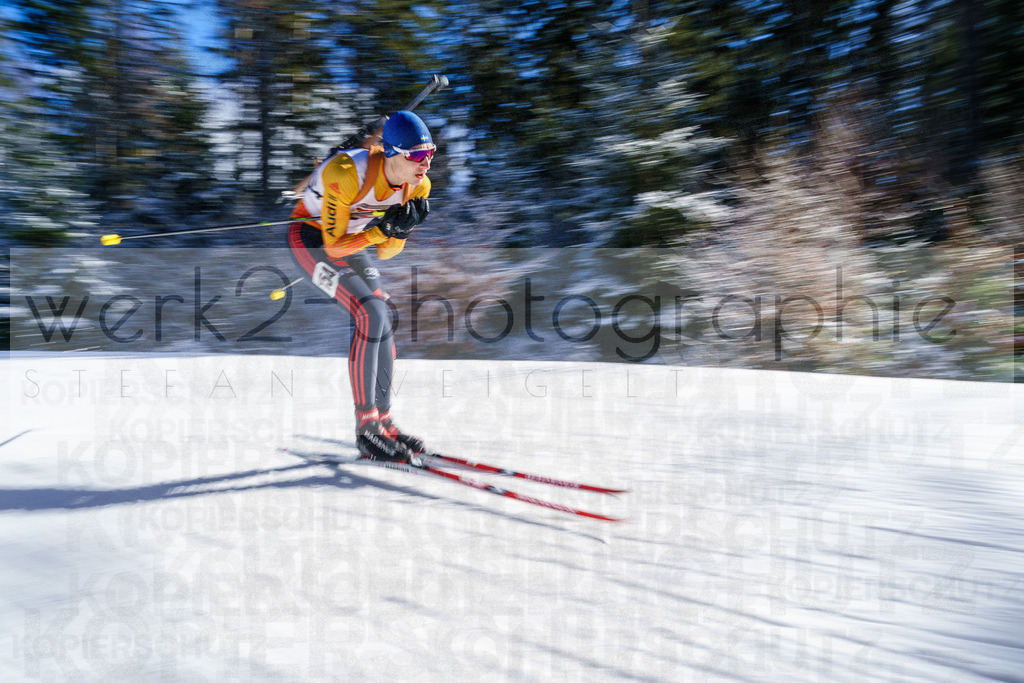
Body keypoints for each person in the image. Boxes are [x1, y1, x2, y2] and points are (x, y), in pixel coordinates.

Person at [288, 110, 434, 462]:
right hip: (311, 238)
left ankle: (384, 422)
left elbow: (386, 252)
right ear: (392, 152)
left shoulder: (418, 184)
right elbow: (334, 247)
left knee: (382, 317)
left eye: (430, 153)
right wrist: (382, 229)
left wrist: (399, 230)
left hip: (353, 240)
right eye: (417, 154)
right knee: (368, 312)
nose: (425, 163)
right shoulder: (347, 171)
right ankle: (366, 428)